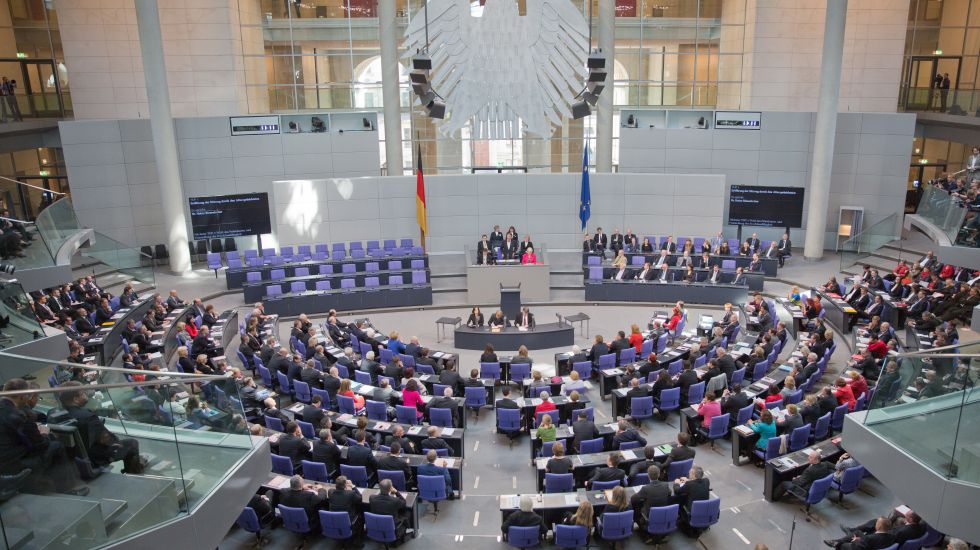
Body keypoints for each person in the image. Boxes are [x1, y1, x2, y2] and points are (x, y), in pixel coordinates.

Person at [59, 382, 144, 474]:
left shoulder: (55, 414)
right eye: (83, 393)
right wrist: (117, 443)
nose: (86, 394)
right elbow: (108, 440)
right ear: (75, 399)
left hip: (75, 457)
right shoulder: (88, 417)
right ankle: (134, 473)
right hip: (94, 457)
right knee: (132, 443)